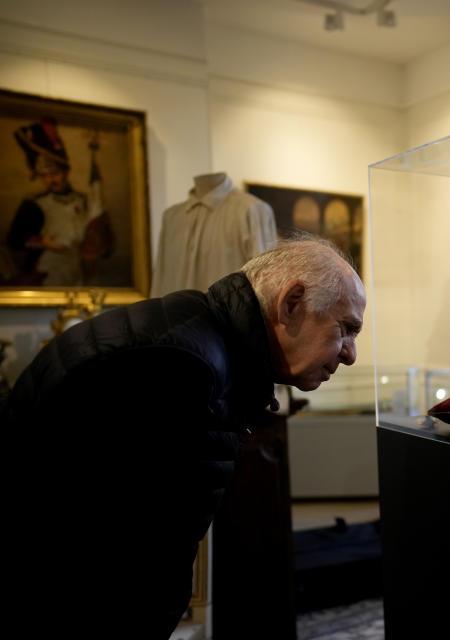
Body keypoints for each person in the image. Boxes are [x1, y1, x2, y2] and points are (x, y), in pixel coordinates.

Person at [1, 235, 365, 639]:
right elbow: (125, 562)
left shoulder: (195, 333)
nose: (350, 354)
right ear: (291, 303)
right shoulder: (181, 364)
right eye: (346, 328)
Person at [6, 118, 113, 286]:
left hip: (79, 269)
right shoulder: (33, 204)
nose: (50, 180)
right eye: (44, 176)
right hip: (47, 270)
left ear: (65, 172)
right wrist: (42, 243)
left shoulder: (84, 200)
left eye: (54, 173)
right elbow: (14, 240)